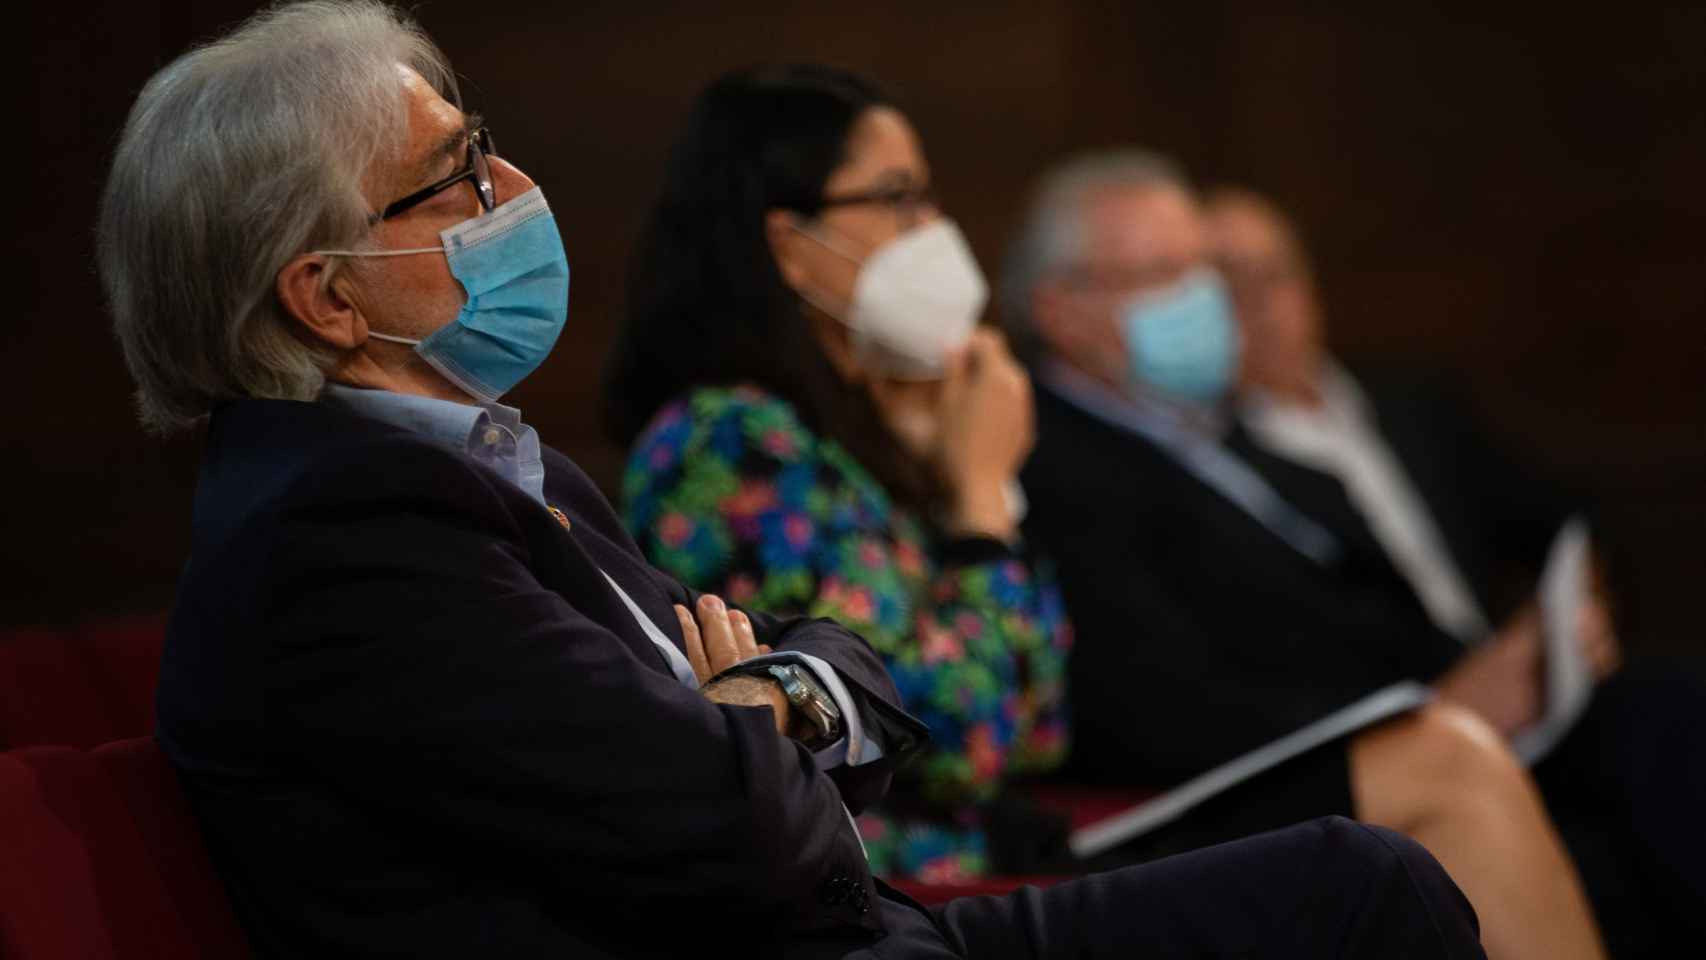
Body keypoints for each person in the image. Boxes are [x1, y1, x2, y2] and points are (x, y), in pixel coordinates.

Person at [96, 5, 1488, 956]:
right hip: (845, 923)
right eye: (454, 175)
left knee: (1371, 874)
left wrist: (762, 704)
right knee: (1364, 883)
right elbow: (762, 825)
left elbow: (853, 702)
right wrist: (782, 709)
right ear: (327, 300)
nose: (513, 184)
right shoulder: (350, 541)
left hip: (879, 909)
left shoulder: (509, 470)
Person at [1005, 148, 1701, 959]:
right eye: (1162, 271)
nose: (1203, 297)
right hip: (1273, 771)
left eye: (1201, 266)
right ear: (1062, 311)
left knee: (1664, 707)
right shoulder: (1047, 458)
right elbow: (1146, 700)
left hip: (1425, 712)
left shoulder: (1221, 434)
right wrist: (1429, 708)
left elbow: (1362, 596)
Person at [603, 65, 1070, 882]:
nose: (932, 230)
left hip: (978, 867)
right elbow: (950, 743)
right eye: (898, 197)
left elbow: (1041, 724)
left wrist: (962, 477)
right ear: (789, 244)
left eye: (928, 197)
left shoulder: (852, 431)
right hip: (876, 897)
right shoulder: (731, 445)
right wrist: (978, 510)